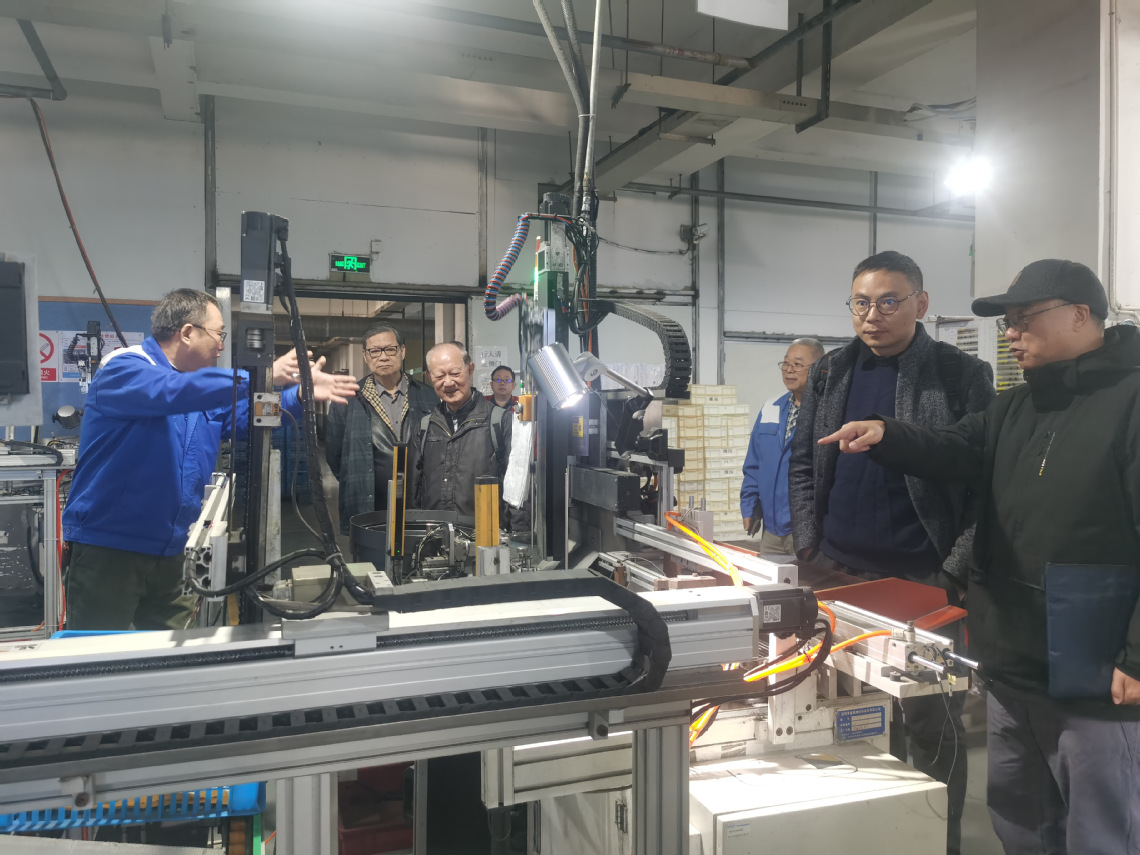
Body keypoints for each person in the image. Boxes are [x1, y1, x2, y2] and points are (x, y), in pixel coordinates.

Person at [820, 259, 1140, 855]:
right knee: (1019, 821)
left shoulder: (1130, 403)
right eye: (1007, 322)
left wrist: (1138, 656)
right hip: (1010, 658)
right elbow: (956, 446)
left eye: (1025, 318)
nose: (1011, 333)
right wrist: (888, 433)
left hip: (1094, 669)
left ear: (1081, 315)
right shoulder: (1015, 405)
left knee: (1101, 828)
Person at [789, 251, 995, 855]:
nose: (871, 316)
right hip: (837, 573)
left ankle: (937, 841)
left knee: (930, 718)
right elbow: (803, 461)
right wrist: (808, 544)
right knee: (840, 715)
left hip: (921, 578)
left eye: (887, 302)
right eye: (861, 303)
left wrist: (953, 568)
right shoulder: (831, 371)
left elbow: (986, 482)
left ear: (920, 304)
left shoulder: (959, 374)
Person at [62, 289, 358, 631]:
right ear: (188, 332)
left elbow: (247, 415)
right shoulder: (126, 368)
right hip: (111, 548)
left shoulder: (195, 389)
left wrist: (298, 395)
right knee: (97, 652)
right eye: (219, 333)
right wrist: (262, 375)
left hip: (176, 548)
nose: (221, 344)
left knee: (173, 653)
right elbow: (171, 392)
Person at [325, 323, 438, 533]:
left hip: (419, 505)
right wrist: (359, 479)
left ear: (402, 351)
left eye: (390, 349)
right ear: (365, 356)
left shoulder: (429, 396)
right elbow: (335, 455)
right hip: (367, 506)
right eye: (375, 351)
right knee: (370, 553)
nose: (383, 357)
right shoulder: (347, 399)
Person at [740, 338, 824, 555]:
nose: (789, 370)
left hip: (810, 531)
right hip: (771, 530)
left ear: (818, 368)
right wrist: (749, 505)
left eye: (797, 364)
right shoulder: (771, 407)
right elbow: (754, 464)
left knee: (808, 578)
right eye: (785, 363)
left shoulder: (826, 413)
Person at [413, 342, 509, 518]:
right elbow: (415, 490)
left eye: (455, 373)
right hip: (434, 530)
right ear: (429, 377)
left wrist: (518, 532)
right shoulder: (425, 427)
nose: (448, 382)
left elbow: (517, 488)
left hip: (484, 531)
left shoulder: (499, 421)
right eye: (439, 376)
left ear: (470, 370)